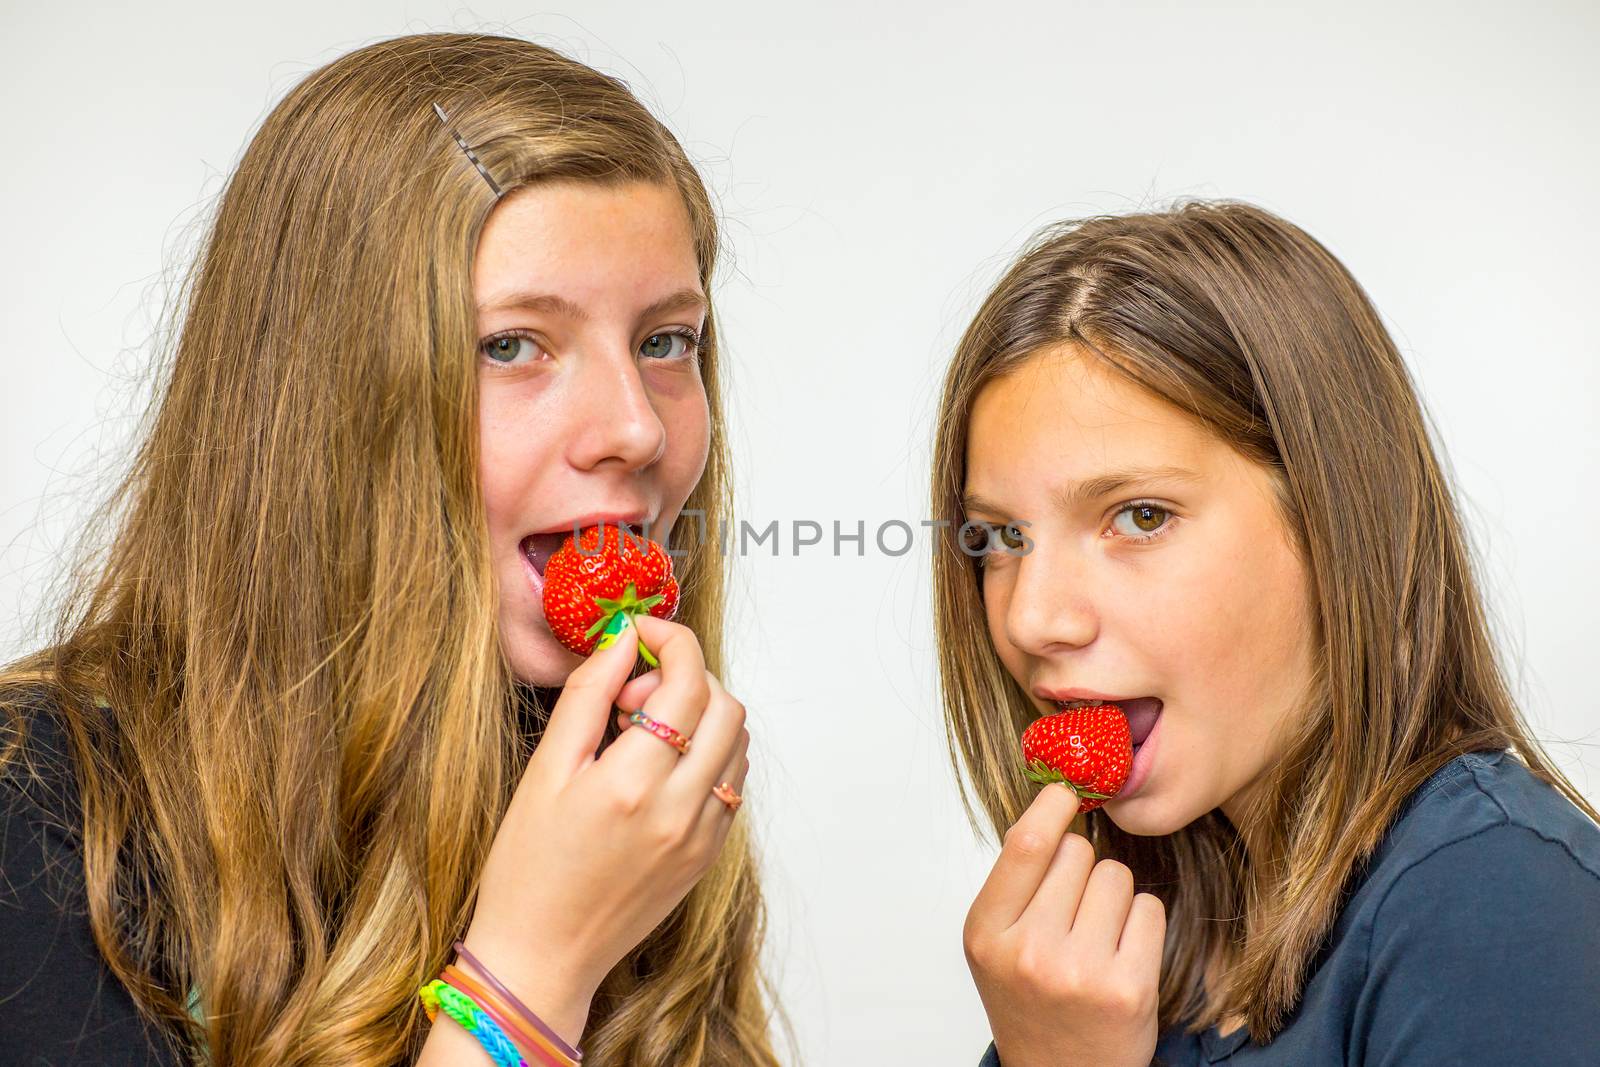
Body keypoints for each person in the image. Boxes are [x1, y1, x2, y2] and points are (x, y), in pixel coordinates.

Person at [0, 31, 784, 1067]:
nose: (636, 428)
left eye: (664, 341)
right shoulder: (44, 818)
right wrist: (529, 976)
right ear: (321, 407)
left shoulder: (619, 789)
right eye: (512, 345)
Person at [925, 201, 1600, 1066]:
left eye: (1139, 515)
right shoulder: (1111, 964)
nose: (1032, 618)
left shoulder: (1496, 905)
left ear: (1335, 523)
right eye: (1000, 539)